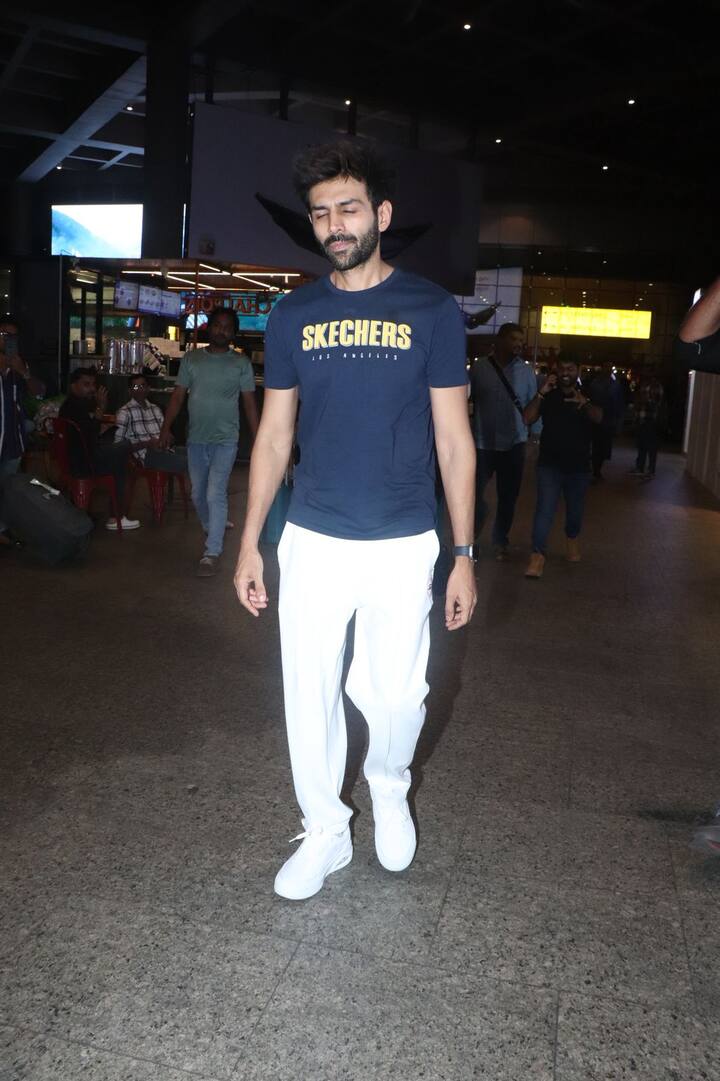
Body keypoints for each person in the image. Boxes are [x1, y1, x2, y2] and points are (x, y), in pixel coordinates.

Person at [233, 140, 476, 901]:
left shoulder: (431, 309)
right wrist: (249, 543)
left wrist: (463, 552)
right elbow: (274, 436)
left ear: (381, 214)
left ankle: (389, 778)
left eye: (348, 208)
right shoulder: (294, 313)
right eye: (321, 213)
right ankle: (327, 829)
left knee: (397, 695)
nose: (334, 224)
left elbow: (454, 439)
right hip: (312, 535)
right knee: (308, 690)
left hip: (404, 537)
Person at [159, 307, 259, 577]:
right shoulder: (191, 359)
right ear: (209, 328)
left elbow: (249, 404)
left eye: (227, 327)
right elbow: (178, 397)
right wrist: (165, 428)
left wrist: (259, 439)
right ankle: (212, 525)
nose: (221, 330)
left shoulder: (241, 364)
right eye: (217, 325)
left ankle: (211, 552)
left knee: (216, 493)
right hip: (196, 438)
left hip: (226, 438)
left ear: (233, 333)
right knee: (197, 493)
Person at [523, 355, 603, 578]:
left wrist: (584, 402)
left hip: (578, 467)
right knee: (544, 511)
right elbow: (527, 418)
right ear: (555, 371)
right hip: (549, 464)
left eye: (570, 367)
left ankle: (572, 539)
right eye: (562, 368)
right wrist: (541, 393)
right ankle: (537, 557)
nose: (566, 372)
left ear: (578, 370)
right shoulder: (548, 394)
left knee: (575, 511)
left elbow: (599, 418)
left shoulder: (589, 392)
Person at [469, 322, 538, 559]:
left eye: (521, 340)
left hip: (513, 445)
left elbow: (533, 403)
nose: (519, 344)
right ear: (500, 341)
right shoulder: (479, 369)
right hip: (482, 444)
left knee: (508, 497)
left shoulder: (526, 372)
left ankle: (500, 541)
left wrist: (535, 435)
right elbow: (469, 402)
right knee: (474, 497)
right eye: (514, 339)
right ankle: (471, 540)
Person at [58, 368, 140, 531]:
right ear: (74, 386)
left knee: (119, 455)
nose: (92, 389)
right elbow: (91, 435)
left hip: (75, 460)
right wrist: (101, 408)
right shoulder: (76, 407)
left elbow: (87, 433)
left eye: (93, 384)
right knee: (124, 450)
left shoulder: (69, 405)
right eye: (86, 384)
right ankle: (116, 516)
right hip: (84, 463)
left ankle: (110, 514)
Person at [114, 374, 187, 473]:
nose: (140, 389)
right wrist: (147, 444)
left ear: (148, 388)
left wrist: (168, 437)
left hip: (165, 450)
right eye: (136, 387)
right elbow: (118, 448)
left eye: (143, 386)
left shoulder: (156, 409)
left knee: (194, 454)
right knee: (187, 462)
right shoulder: (124, 413)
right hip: (146, 456)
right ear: (129, 391)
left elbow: (166, 434)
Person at [0, 327, 28, 545]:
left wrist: (23, 372)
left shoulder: (17, 370)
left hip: (12, 440)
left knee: (7, 489)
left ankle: (4, 529)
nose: (7, 340)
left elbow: (39, 392)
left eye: (12, 337)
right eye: (3, 335)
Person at [587, 365, 624, 480]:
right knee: (601, 445)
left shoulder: (597, 384)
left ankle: (596, 469)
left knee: (598, 445)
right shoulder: (613, 385)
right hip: (604, 417)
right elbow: (618, 403)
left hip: (601, 417)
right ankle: (596, 469)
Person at [630, 377, 664, 478]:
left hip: (650, 421)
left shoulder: (655, 387)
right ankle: (642, 467)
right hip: (644, 420)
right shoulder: (647, 385)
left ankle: (649, 469)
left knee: (650, 447)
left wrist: (644, 400)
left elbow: (655, 403)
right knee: (642, 446)